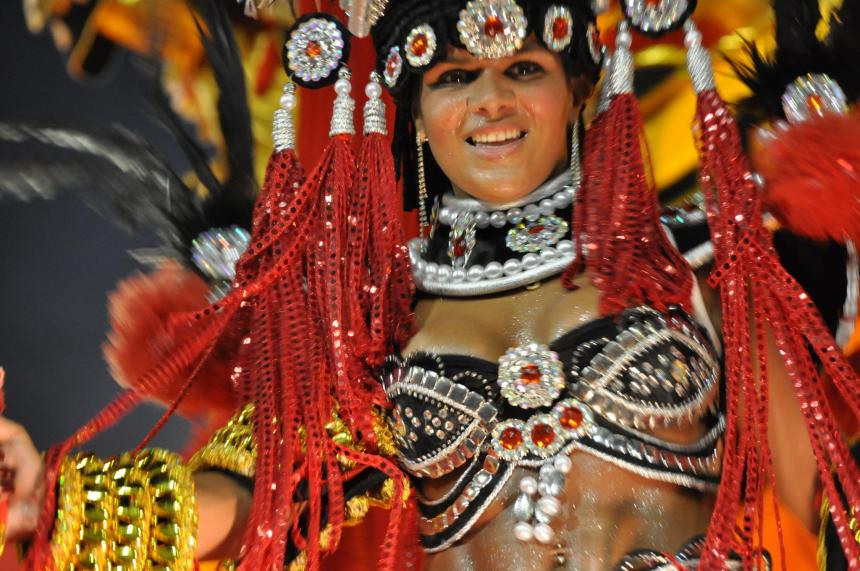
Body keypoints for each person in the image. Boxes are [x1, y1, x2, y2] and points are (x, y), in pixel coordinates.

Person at [0, 0, 858, 569]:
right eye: (454, 77)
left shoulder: (709, 260)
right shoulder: (367, 323)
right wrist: (51, 504)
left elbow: (820, 448)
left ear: (579, 86)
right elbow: (254, 503)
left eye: (523, 68)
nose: (492, 102)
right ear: (411, 111)